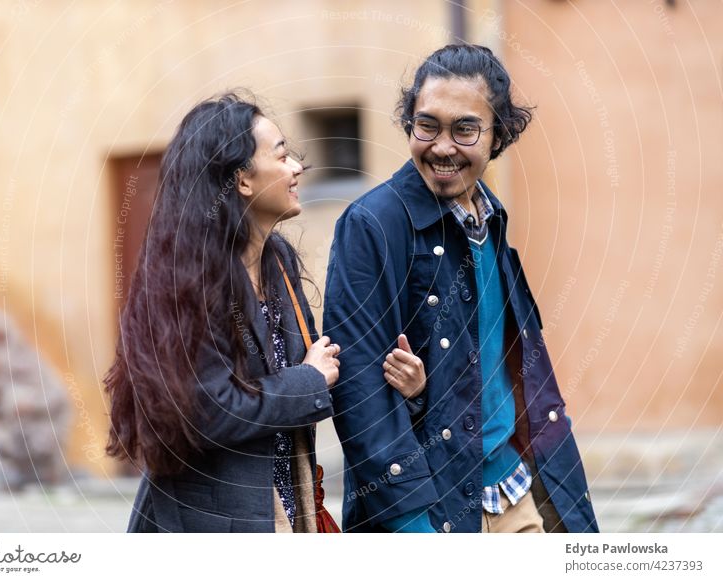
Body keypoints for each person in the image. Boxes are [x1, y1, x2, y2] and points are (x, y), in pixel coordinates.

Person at [324, 44, 599, 533]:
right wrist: (414, 528)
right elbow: (358, 391)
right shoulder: (372, 224)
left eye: (465, 129)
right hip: (434, 510)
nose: (442, 146)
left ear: (499, 136)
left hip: (511, 492)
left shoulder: (490, 217)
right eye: (427, 125)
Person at [103, 93, 341, 532]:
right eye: (283, 156)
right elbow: (211, 411)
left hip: (284, 514)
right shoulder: (186, 281)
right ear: (243, 181)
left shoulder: (278, 262)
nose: (296, 169)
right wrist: (307, 380)